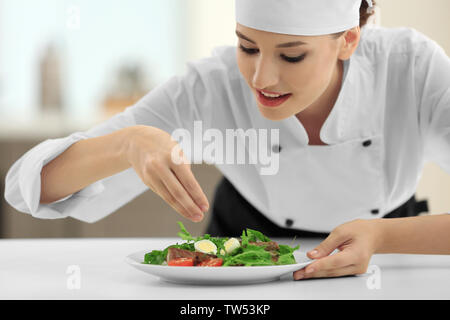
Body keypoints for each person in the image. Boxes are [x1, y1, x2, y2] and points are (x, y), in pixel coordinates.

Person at [4, 0, 450, 281]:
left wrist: (382, 236)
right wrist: (127, 143)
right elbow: (28, 186)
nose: (262, 78)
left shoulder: (411, 69)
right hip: (242, 256)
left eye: (292, 55)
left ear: (348, 40)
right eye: (248, 47)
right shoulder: (211, 84)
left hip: (389, 255)